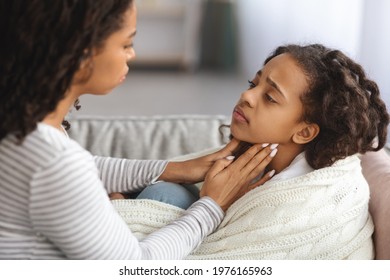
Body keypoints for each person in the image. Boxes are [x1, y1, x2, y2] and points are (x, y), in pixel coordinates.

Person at [0, 0, 277, 259]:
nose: (132, 53)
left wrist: (174, 168)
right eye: (126, 44)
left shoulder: (23, 119)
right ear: (79, 52)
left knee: (167, 193)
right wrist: (214, 206)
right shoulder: (51, 160)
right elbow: (134, 267)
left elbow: (84, 168)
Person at [114, 43, 389, 259]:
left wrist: (119, 211)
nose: (247, 96)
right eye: (253, 84)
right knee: (166, 192)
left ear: (305, 131)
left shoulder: (308, 202)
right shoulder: (250, 157)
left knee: (163, 195)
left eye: (269, 97)